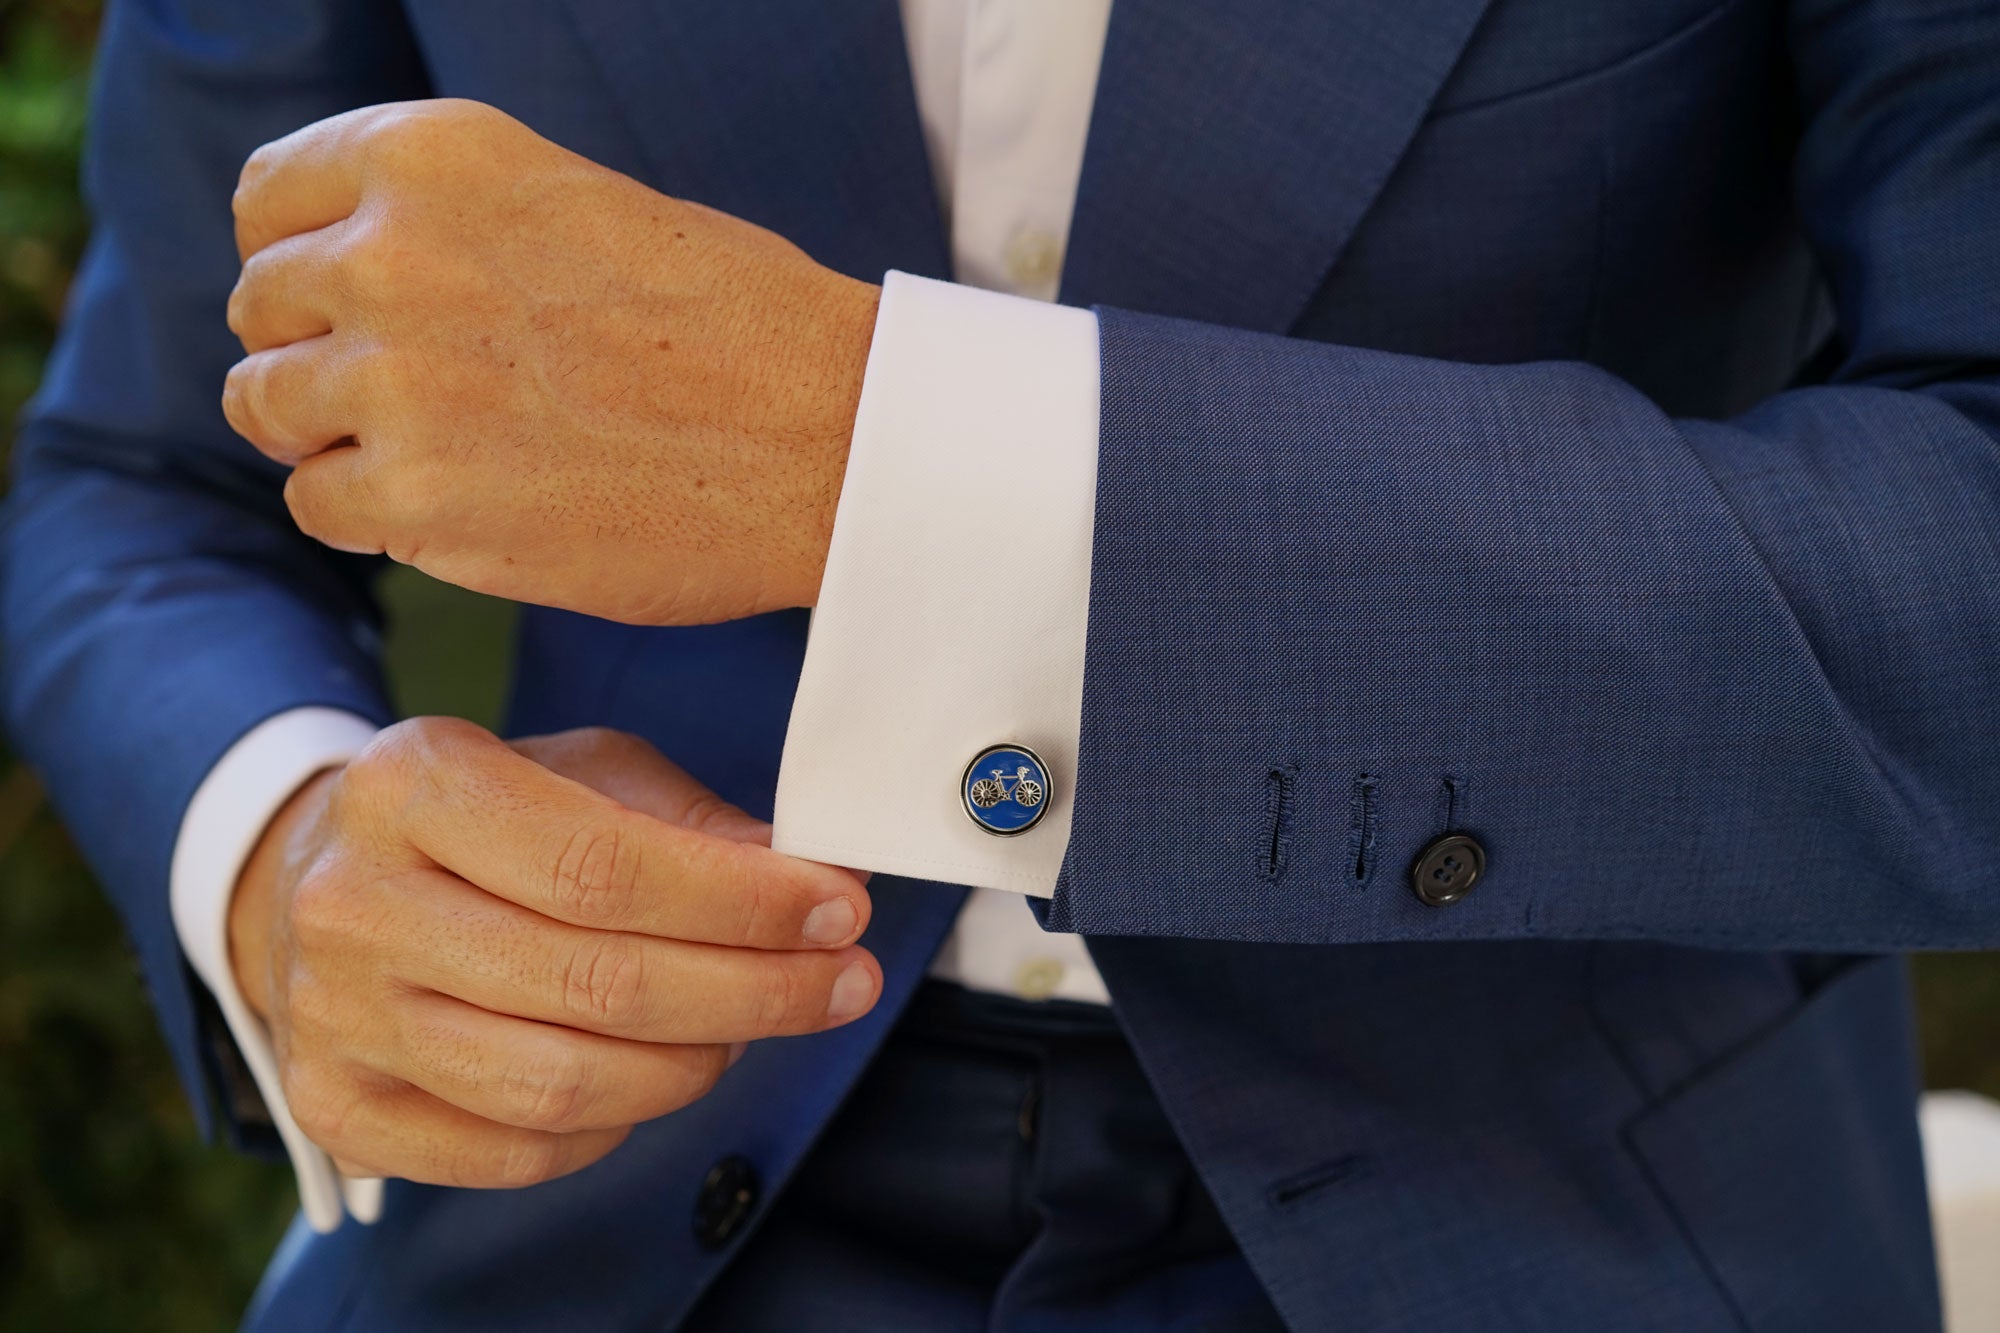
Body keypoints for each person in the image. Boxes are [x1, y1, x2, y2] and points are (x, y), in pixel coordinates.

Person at [7, 0, 1996, 1327]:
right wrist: (274, 845)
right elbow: (139, 470)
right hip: (605, 1194)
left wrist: (878, 456)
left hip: (1555, 1203)